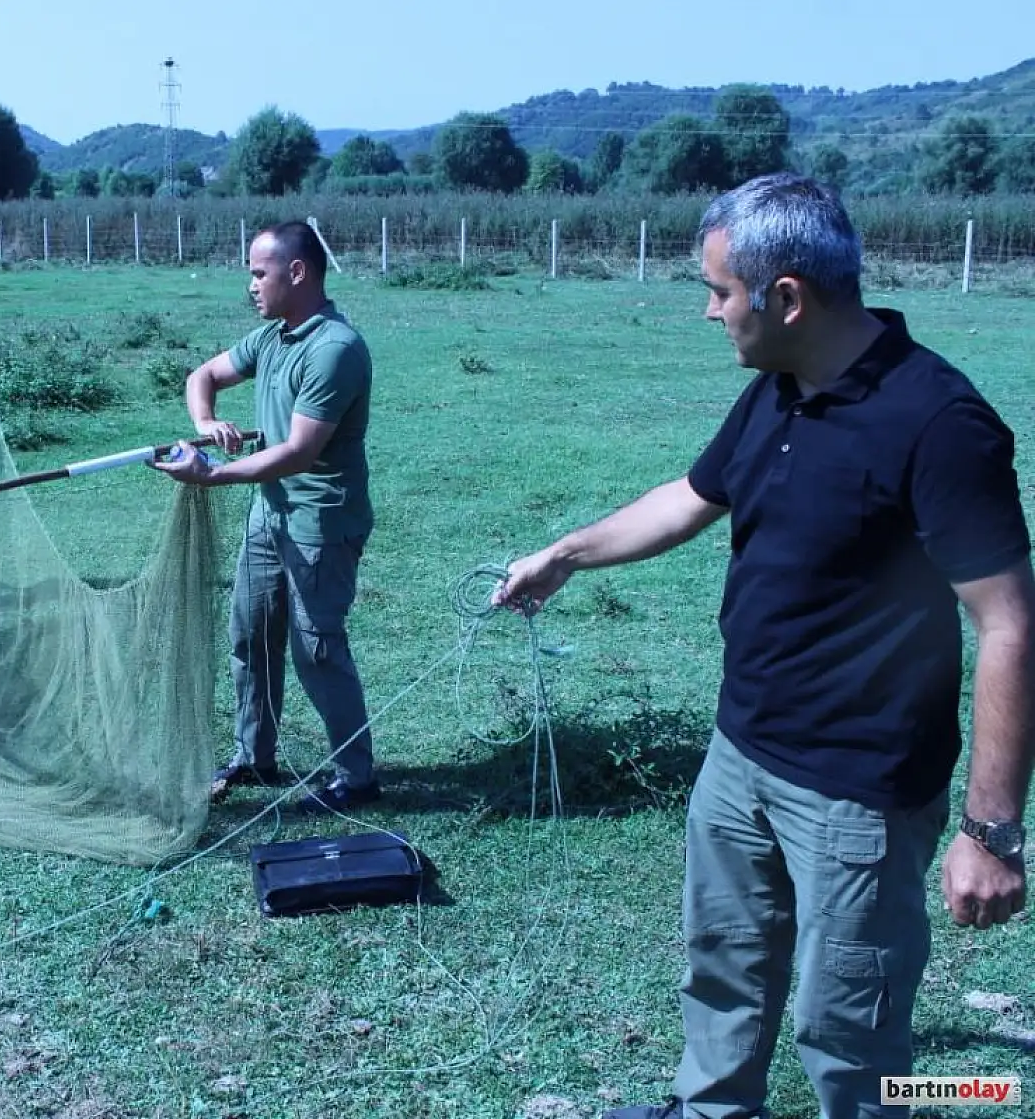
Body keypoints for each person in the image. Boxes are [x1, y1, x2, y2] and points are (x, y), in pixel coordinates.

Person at [492, 172, 1033, 1119]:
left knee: (851, 1034)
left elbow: (1010, 624)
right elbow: (692, 497)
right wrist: (566, 554)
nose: (710, 313)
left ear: (787, 297)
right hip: (742, 754)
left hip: (860, 793)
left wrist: (989, 833)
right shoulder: (782, 389)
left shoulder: (940, 424)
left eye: (719, 291)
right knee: (723, 975)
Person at [153, 220, 379, 814]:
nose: (251, 285)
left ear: (295, 272)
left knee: (317, 648)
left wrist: (212, 474)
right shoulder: (274, 337)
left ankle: (357, 777)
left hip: (320, 523)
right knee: (250, 635)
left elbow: (300, 451)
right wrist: (207, 424)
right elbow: (202, 376)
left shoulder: (334, 350)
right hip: (269, 514)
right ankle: (256, 756)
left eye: (259, 272)